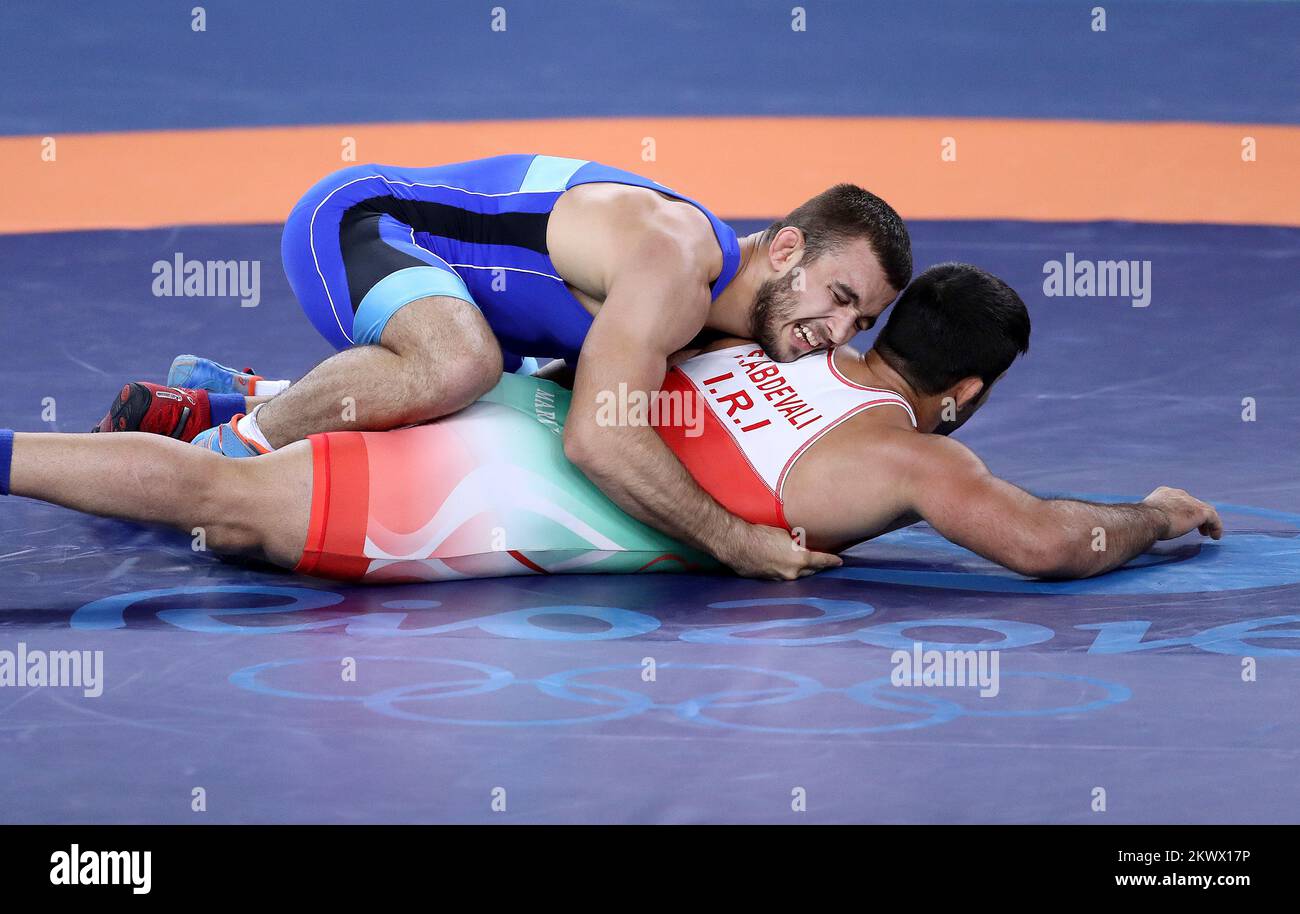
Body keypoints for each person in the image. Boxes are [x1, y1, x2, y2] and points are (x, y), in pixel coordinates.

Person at [11, 264, 1221, 583]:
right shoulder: (912, 453)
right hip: (506, 489)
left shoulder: (767, 330)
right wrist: (1155, 518)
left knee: (247, 497)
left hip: (513, 398)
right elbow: (1051, 542)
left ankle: (239, 395)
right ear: (964, 391)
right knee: (224, 512)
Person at [101, 155, 914, 581]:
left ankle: (210, 399)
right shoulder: (675, 262)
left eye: (862, 322)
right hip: (360, 219)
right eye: (838, 296)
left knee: (504, 394)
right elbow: (598, 441)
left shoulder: (703, 323)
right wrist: (738, 543)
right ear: (783, 249)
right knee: (461, 362)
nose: (837, 333)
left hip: (430, 284)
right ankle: (225, 450)